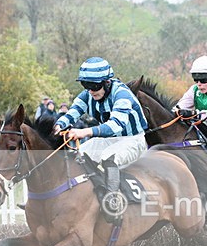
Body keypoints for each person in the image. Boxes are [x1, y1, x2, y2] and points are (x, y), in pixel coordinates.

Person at [53, 56, 148, 219]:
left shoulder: (122, 94)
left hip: (133, 140)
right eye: (86, 85)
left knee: (108, 157)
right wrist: (59, 125)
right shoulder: (87, 95)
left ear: (107, 82)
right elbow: (73, 112)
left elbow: (115, 125)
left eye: (94, 85)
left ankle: (113, 202)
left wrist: (84, 132)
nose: (91, 90)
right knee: (77, 155)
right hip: (109, 140)